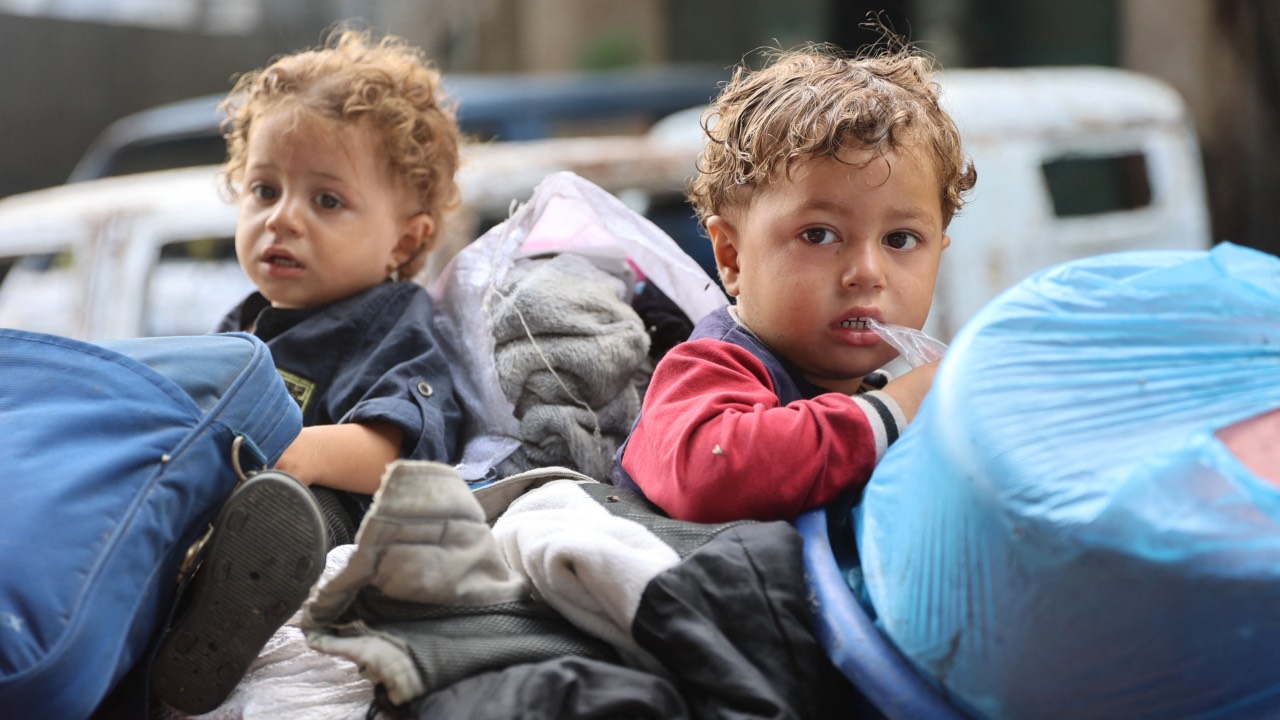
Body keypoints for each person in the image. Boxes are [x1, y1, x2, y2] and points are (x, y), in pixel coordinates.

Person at [149, 26, 465, 714]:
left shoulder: (392, 319)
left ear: (405, 238)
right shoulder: (242, 324)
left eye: (326, 201)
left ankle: (225, 602)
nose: (282, 220)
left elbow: (396, 452)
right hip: (225, 521)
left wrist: (292, 453)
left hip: (323, 533)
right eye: (264, 190)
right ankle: (183, 619)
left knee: (290, 512)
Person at [612, 40, 977, 524]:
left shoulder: (871, 395)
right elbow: (709, 475)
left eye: (901, 239)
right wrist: (899, 407)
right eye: (819, 235)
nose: (867, 272)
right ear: (733, 256)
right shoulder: (712, 369)